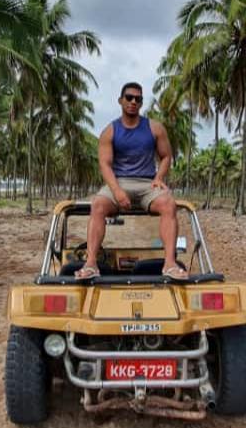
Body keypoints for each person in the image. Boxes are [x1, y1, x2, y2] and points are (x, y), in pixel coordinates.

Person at [74, 82, 188, 281]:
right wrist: (117, 191)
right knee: (98, 204)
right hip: (119, 182)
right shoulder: (110, 131)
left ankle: (169, 263)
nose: (133, 102)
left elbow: (166, 156)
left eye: (138, 99)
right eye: (129, 97)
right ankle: (91, 263)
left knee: (169, 204)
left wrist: (159, 177)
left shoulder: (155, 128)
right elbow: (105, 164)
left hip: (147, 184)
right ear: (121, 101)